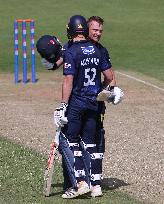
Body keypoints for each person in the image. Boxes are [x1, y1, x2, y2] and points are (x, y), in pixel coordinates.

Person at [53, 14, 114, 199]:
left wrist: (63, 106)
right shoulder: (97, 50)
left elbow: (68, 81)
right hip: (94, 104)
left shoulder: (71, 51)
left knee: (71, 141)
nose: (98, 33)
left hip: (77, 103)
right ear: (85, 30)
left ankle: (80, 183)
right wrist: (106, 92)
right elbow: (110, 78)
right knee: (91, 144)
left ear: (70, 30)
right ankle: (96, 186)